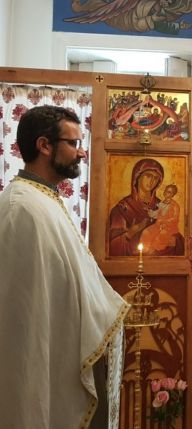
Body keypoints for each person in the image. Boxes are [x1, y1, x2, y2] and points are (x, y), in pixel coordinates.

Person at [0, 105, 130, 428]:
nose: (82, 152)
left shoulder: (43, 199)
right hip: (41, 358)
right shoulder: (21, 208)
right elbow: (22, 316)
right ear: (45, 146)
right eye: (73, 143)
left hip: (63, 348)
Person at [108, 158, 184, 256]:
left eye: (156, 178)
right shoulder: (122, 208)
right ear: (137, 177)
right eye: (148, 176)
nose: (152, 181)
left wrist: (171, 240)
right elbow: (113, 246)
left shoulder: (162, 205)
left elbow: (178, 240)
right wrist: (130, 233)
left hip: (161, 263)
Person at [140, 183, 181, 254]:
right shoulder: (161, 203)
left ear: (172, 194)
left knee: (160, 236)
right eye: (166, 190)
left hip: (169, 227)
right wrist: (149, 211)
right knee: (145, 232)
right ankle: (144, 249)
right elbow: (156, 214)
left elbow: (175, 218)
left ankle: (153, 250)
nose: (166, 193)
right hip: (158, 225)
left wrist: (164, 221)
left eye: (169, 192)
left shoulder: (175, 205)